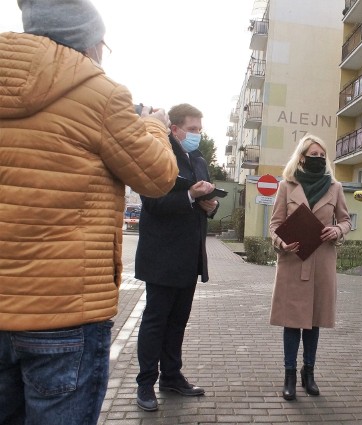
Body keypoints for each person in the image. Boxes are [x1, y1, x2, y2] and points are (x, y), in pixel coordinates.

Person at [0, 0, 179, 423]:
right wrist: (154, 125)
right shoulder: (100, 95)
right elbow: (157, 177)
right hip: (63, 313)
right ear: (88, 42)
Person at [134, 103, 220, 411]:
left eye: (200, 129)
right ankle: (145, 384)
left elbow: (204, 200)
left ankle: (171, 377)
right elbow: (154, 203)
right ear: (175, 129)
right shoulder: (160, 155)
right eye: (193, 129)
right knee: (155, 321)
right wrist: (190, 196)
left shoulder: (197, 159)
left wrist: (211, 205)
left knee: (178, 322)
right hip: (161, 257)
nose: (197, 135)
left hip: (189, 256)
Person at [269, 135, 351, 401]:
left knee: (313, 322)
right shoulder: (286, 186)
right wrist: (281, 241)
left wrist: (337, 230)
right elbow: (274, 225)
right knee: (292, 323)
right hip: (293, 262)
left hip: (321, 264)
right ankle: (289, 375)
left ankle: (309, 374)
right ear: (301, 157)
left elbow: (347, 220)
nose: (317, 158)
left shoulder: (335, 187)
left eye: (321, 154)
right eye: (312, 154)